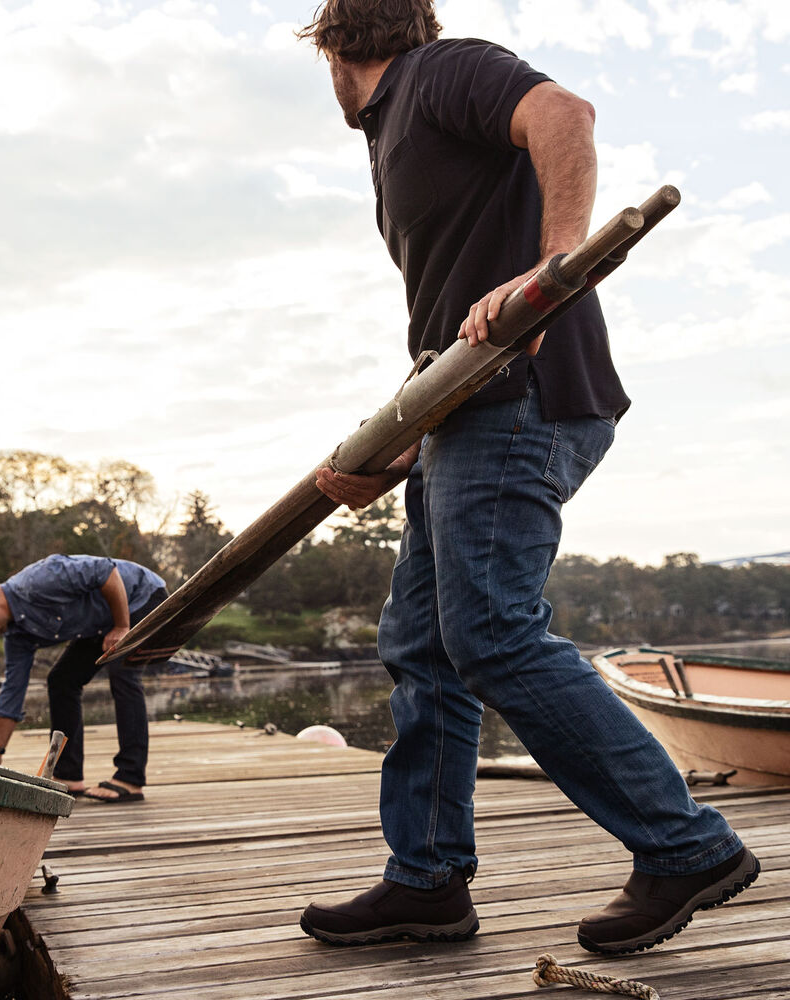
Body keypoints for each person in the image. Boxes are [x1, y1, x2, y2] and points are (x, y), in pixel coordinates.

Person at [297, 0, 758, 955]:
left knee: (490, 632)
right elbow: (449, 332)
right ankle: (426, 881)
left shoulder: (440, 71)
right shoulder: (398, 134)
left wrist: (557, 262)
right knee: (422, 646)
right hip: (461, 415)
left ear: (336, 44)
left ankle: (686, 845)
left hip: (525, 396)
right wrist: (395, 449)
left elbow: (565, 115)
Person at [0, 553, 167, 803]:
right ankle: (69, 776)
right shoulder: (16, 636)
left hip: (141, 598)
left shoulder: (39, 581)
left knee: (123, 672)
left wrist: (121, 627)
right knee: (62, 681)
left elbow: (106, 572)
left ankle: (131, 778)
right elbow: (12, 691)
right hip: (100, 623)